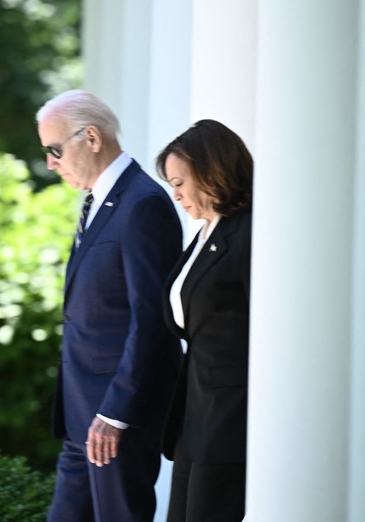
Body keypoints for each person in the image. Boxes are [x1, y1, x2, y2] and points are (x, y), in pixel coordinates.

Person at [37, 89, 183, 522]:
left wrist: (116, 413)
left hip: (115, 421)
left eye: (55, 150)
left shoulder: (143, 204)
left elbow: (151, 320)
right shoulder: (98, 202)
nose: (51, 163)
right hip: (81, 415)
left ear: (92, 138)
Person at [156, 119, 254, 522]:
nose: (176, 195)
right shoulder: (206, 232)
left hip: (228, 419)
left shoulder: (248, 232)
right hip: (195, 417)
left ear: (211, 172)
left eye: (180, 183)